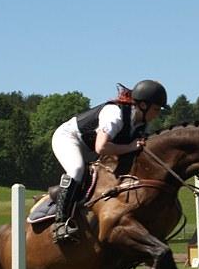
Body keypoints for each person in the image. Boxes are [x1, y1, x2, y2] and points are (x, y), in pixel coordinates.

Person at [51, 80, 169, 241]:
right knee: (77, 169)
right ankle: (60, 222)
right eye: (156, 109)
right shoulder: (115, 114)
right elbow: (102, 147)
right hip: (69, 139)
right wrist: (130, 147)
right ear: (143, 105)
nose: (157, 114)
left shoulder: (140, 125)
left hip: (92, 149)